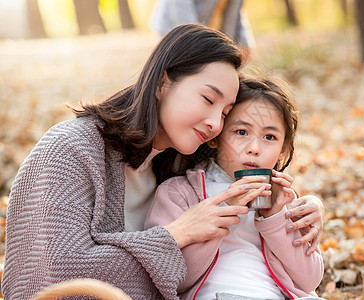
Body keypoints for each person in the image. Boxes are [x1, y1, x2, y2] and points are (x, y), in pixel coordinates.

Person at [2, 24, 323, 300]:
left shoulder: (180, 161)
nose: (214, 122)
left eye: (225, 114)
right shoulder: (70, 150)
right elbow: (62, 275)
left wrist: (309, 207)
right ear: (162, 82)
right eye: (208, 100)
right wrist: (176, 235)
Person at [145, 77, 324, 299]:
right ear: (215, 138)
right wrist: (225, 212)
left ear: (283, 150)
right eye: (241, 132)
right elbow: (173, 278)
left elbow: (309, 280)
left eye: (269, 137)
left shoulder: (284, 200)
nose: (254, 148)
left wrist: (275, 218)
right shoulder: (179, 192)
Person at [149, 0, 255, 60]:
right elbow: (180, 8)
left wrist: (244, 39)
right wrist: (195, 37)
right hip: (176, 23)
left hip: (211, 27)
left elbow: (235, 10)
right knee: (183, 63)